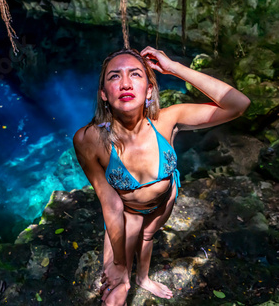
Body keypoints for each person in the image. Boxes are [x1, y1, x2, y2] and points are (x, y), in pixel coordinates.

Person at [73, 46, 250, 306]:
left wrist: (174, 68)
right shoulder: (89, 139)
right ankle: (129, 279)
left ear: (149, 90)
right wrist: (120, 265)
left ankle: (143, 278)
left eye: (135, 75)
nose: (125, 83)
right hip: (127, 213)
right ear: (103, 95)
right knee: (114, 294)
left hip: (164, 201)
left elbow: (238, 105)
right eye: (114, 76)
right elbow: (110, 203)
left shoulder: (168, 120)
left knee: (148, 238)